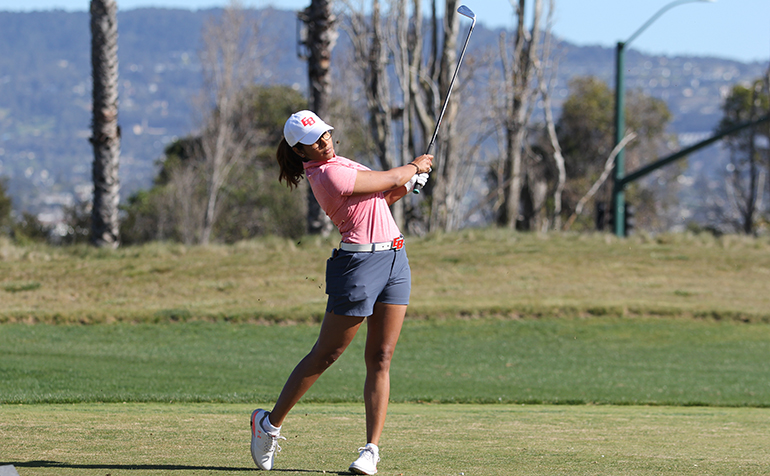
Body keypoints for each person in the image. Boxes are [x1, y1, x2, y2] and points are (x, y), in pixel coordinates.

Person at [250, 110, 433, 475]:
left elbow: (379, 200)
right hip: (358, 268)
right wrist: (414, 167)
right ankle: (268, 425)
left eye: (325, 133)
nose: (324, 141)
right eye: (314, 141)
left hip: (396, 260)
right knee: (327, 354)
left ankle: (370, 451)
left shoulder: (340, 162)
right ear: (301, 152)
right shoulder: (328, 173)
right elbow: (392, 175)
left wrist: (409, 185)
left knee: (381, 356)